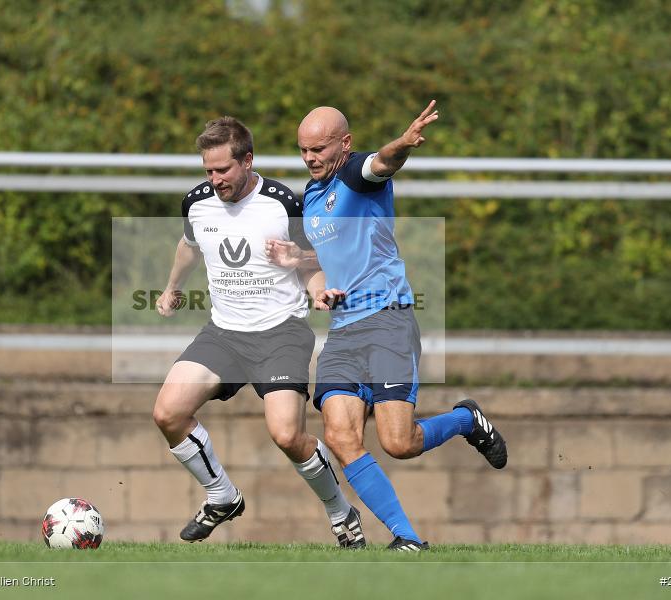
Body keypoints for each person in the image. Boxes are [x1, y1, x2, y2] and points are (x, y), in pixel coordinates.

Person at [266, 102, 507, 552]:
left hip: (387, 320)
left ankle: (464, 419)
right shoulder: (312, 195)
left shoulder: (356, 173)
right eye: (303, 150)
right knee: (340, 437)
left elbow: (383, 162)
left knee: (399, 443)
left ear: (345, 143)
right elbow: (337, 250)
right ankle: (407, 538)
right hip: (343, 329)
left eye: (319, 149)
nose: (310, 158)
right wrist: (300, 262)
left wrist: (404, 143)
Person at [152, 116, 365, 548]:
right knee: (168, 413)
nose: (215, 180)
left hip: (280, 334)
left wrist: (319, 292)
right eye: (208, 171)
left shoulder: (283, 203)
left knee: (287, 435)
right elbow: (189, 246)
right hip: (224, 334)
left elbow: (311, 262)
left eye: (223, 170)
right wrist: (172, 287)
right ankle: (221, 496)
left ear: (247, 160)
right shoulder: (197, 202)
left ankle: (341, 512)